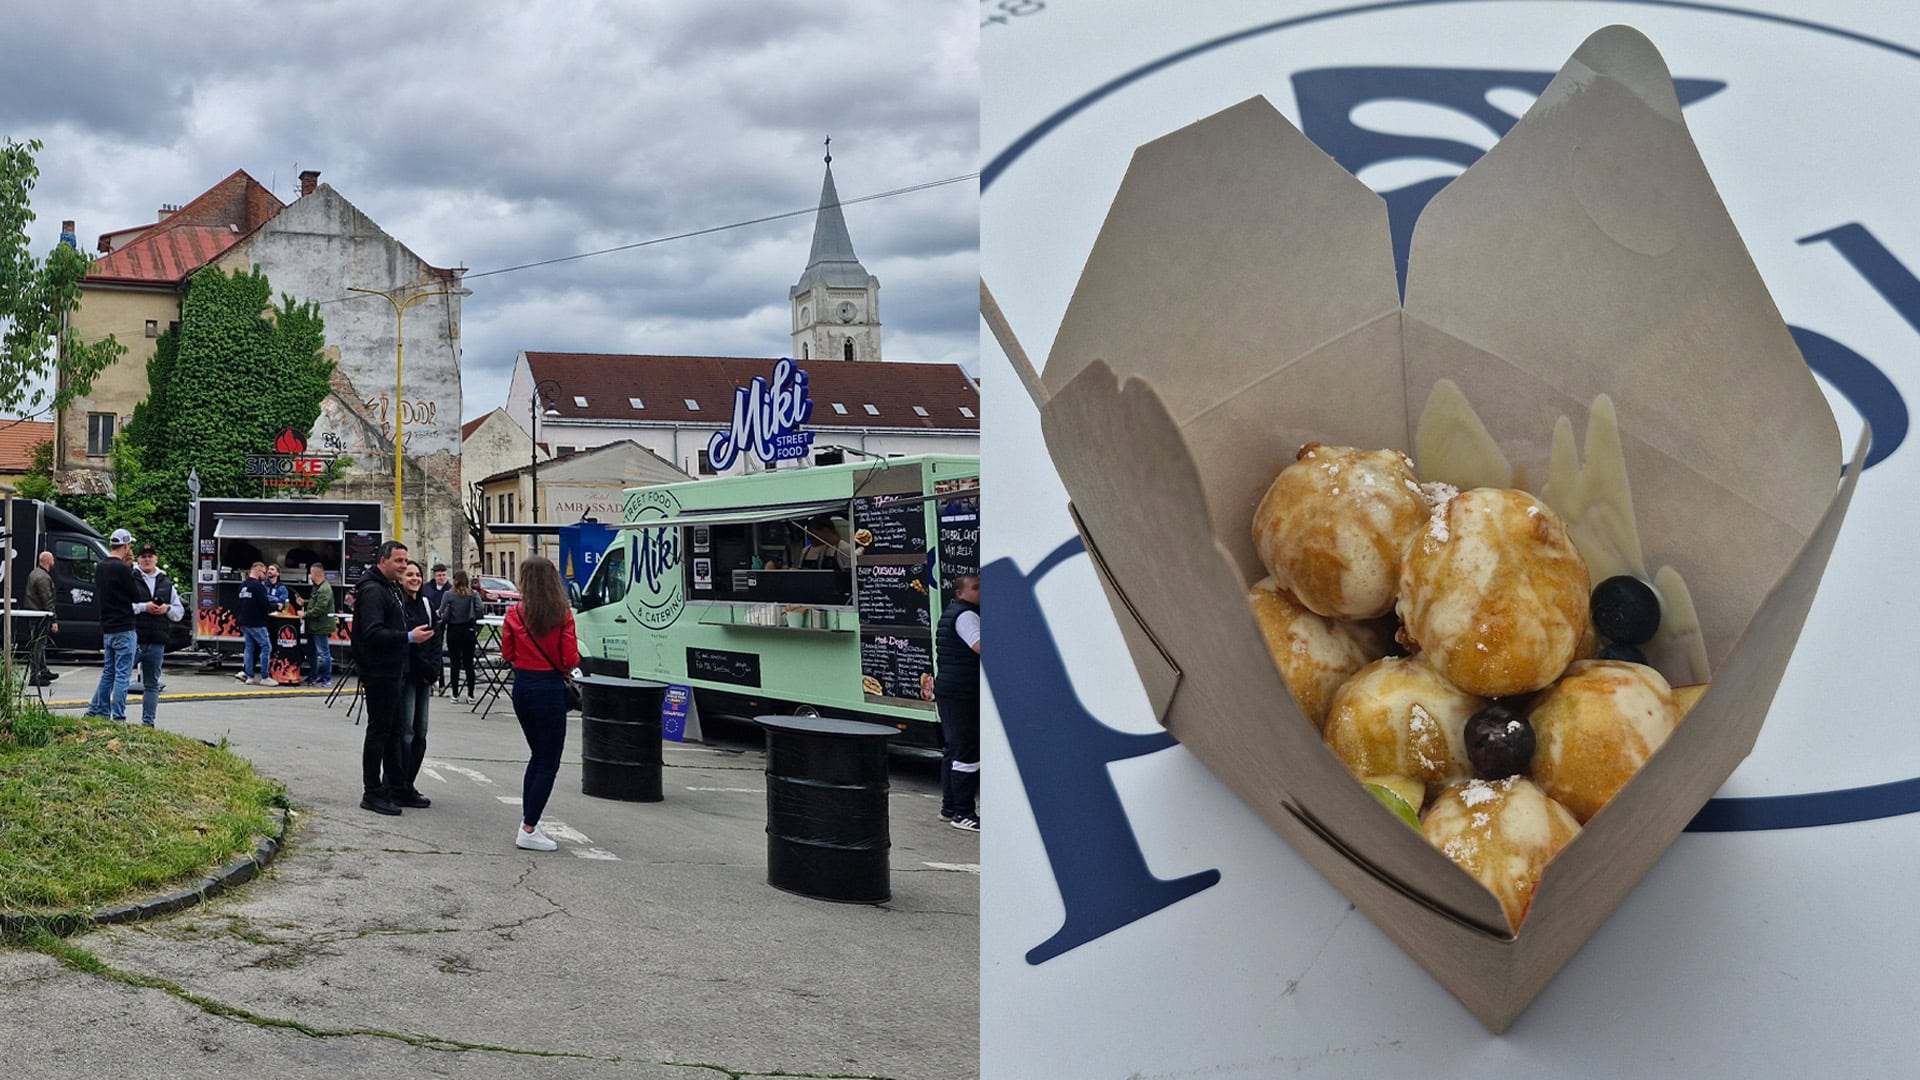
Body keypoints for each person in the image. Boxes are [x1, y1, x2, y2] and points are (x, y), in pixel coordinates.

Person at [501, 555, 579, 851]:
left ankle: (529, 819)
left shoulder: (514, 613)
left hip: (522, 685)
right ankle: (529, 827)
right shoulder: (562, 614)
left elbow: (507, 652)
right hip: (548, 687)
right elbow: (569, 657)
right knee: (549, 760)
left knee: (537, 756)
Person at [354, 541, 433, 815]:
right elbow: (372, 632)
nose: (403, 566)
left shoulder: (390, 588)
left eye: (405, 560)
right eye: (398, 561)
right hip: (379, 672)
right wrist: (409, 637)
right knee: (379, 732)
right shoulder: (373, 591)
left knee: (395, 732)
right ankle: (372, 791)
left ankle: (397, 787)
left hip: (395, 671)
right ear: (383, 561)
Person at [935, 574, 982, 832]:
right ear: (960, 593)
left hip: (950, 688)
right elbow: (980, 646)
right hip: (963, 690)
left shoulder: (951, 613)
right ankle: (964, 813)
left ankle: (949, 807)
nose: (981, 592)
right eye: (975, 588)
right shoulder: (966, 615)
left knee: (953, 749)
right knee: (966, 750)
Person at [394, 560, 441, 808]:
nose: (414, 578)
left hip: (425, 677)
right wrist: (422, 667)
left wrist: (434, 670)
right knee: (406, 733)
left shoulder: (427, 604)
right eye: (409, 574)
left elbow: (436, 638)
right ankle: (398, 784)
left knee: (421, 732)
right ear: (401, 579)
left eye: (418, 574)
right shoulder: (398, 605)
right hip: (408, 676)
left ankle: (409, 783)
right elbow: (404, 642)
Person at [86, 528, 143, 722]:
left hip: (108, 627)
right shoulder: (123, 569)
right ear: (125, 545)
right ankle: (119, 716)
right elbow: (136, 596)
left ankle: (101, 712)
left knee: (108, 673)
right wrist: (131, 570)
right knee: (122, 675)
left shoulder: (101, 566)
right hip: (125, 626)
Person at [130, 544, 184, 728]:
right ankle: (117, 719)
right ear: (138, 559)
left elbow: (178, 612)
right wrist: (144, 607)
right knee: (119, 679)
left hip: (157, 641)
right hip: (134, 639)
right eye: (143, 556)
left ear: (156, 559)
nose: (147, 559)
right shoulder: (131, 579)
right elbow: (123, 607)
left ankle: (148, 724)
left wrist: (166, 608)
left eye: (150, 556)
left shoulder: (166, 583)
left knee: (152, 685)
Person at [441, 569, 484, 703]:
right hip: (468, 629)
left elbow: (442, 611)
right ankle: (471, 695)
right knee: (468, 663)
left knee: (454, 663)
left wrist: (444, 615)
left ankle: (455, 694)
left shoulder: (448, 594)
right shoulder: (473, 594)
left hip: (453, 630)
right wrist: (476, 622)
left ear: (454, 581)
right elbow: (480, 608)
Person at [235, 562, 276, 686]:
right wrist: (275, 607)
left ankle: (249, 676)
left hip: (244, 622)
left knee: (249, 648)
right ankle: (265, 677)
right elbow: (264, 605)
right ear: (258, 571)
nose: (265, 575)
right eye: (264, 572)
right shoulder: (258, 587)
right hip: (256, 622)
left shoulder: (243, 585)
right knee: (266, 647)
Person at [25, 550, 57, 687]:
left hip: (33, 613)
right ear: (48, 561)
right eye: (52, 559)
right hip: (40, 615)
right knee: (39, 645)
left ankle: (43, 671)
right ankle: (35, 675)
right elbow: (47, 600)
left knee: (39, 643)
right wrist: (53, 619)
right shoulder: (43, 578)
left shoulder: (34, 573)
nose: (54, 561)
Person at [302, 563, 336, 688]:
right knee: (310, 651)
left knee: (323, 653)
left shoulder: (324, 589)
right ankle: (313, 676)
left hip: (321, 626)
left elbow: (319, 609)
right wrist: (304, 602)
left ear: (315, 574)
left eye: (311, 573)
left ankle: (327, 679)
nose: (310, 576)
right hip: (314, 626)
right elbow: (314, 602)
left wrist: (305, 614)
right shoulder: (317, 587)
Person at [423, 563, 452, 693]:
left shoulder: (450, 589)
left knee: (437, 651)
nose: (442, 578)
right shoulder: (426, 588)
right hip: (427, 622)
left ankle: (440, 682)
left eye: (444, 575)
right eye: (439, 575)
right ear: (434, 576)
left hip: (442, 623)